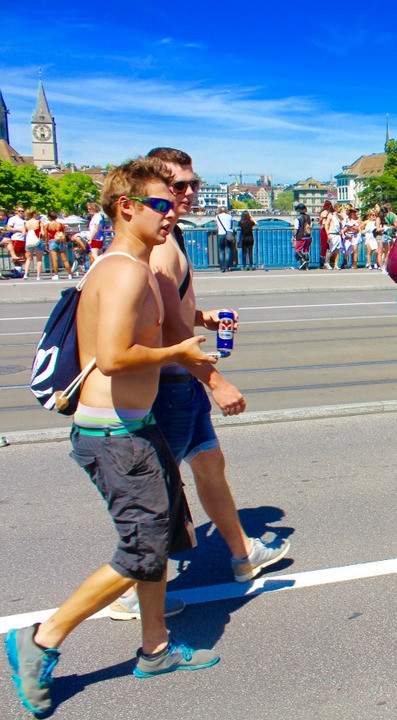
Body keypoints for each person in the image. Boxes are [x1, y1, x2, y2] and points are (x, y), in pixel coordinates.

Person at [4, 158, 220, 717]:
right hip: (114, 434)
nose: (173, 213)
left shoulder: (138, 266)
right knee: (142, 547)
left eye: (174, 203)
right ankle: (40, 640)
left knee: (162, 538)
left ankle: (155, 649)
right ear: (127, 207)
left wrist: (197, 330)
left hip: (135, 426)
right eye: (161, 204)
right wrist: (181, 352)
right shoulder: (124, 269)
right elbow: (114, 355)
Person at [138, 146, 289, 605]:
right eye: (176, 185)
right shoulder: (162, 245)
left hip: (180, 383)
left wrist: (204, 316)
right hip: (169, 385)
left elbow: (171, 312)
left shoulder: (173, 237)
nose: (188, 192)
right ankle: (133, 586)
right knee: (156, 496)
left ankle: (244, 553)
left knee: (209, 466)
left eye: (192, 183)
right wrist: (216, 383)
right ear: (153, 189)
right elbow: (167, 328)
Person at [45, 211, 72, 280]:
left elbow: (45, 236)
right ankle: (69, 274)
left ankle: (56, 275)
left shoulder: (47, 226)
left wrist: (46, 244)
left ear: (49, 217)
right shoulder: (61, 225)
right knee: (65, 260)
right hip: (61, 241)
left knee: (55, 260)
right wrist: (65, 242)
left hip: (52, 241)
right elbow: (64, 234)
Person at [23, 209, 45, 280]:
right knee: (39, 260)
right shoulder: (39, 222)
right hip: (38, 241)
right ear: (34, 214)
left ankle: (26, 274)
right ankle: (38, 275)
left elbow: (23, 233)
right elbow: (43, 233)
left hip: (29, 241)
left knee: (28, 259)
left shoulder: (25, 223)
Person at [214, 206, 236, 273]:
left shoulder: (217, 217)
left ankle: (222, 267)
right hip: (228, 234)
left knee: (221, 251)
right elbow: (232, 226)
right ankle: (227, 267)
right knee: (228, 250)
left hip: (221, 234)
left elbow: (217, 226)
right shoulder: (229, 216)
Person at [323, 203, 344, 271]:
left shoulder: (339, 216)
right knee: (331, 250)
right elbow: (326, 224)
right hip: (332, 233)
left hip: (338, 234)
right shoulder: (331, 215)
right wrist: (328, 234)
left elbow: (342, 224)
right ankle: (326, 262)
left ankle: (336, 264)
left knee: (338, 250)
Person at [293, 204, 312, 270]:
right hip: (308, 236)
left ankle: (303, 260)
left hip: (300, 236)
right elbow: (310, 227)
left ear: (298, 210)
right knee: (306, 250)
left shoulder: (298, 218)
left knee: (297, 250)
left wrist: (294, 236)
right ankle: (306, 265)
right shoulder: (309, 217)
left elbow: (296, 228)